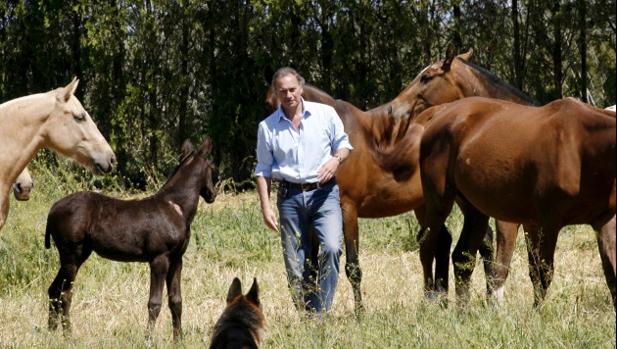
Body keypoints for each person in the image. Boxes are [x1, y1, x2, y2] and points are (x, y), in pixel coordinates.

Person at [255, 67, 352, 314]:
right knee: (296, 263)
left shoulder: (325, 114)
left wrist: (335, 161)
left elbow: (344, 146)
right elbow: (263, 169)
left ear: (301, 87)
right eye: (282, 91)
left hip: (324, 195)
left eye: (292, 89)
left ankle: (320, 314)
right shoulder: (267, 127)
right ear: (276, 93)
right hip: (289, 198)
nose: (288, 95)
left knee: (331, 247)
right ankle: (308, 315)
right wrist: (266, 207)